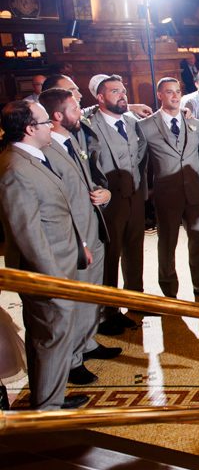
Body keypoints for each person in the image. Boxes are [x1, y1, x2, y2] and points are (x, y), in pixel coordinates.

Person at [0, 100, 88, 410]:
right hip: (47, 274)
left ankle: (51, 397)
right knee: (49, 340)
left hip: (62, 262)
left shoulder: (34, 158)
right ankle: (47, 410)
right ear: (29, 129)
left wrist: (79, 247)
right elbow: (29, 236)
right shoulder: (15, 169)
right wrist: (54, 283)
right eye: (45, 121)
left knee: (55, 339)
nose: (52, 125)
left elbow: (55, 212)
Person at [40, 88, 117, 387]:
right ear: (57, 115)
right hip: (74, 241)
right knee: (72, 301)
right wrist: (79, 242)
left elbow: (90, 179)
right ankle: (72, 361)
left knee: (90, 297)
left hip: (92, 228)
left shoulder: (73, 140)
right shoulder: (47, 153)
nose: (80, 112)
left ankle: (88, 344)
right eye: (75, 108)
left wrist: (105, 193)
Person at [139, 78, 199, 301]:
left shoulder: (194, 123)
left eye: (177, 92)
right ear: (160, 95)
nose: (174, 96)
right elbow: (141, 164)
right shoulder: (145, 127)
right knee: (167, 244)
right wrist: (146, 195)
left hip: (195, 194)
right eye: (169, 92)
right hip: (166, 196)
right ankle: (169, 291)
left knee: (198, 242)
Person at [82, 75, 147, 334]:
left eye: (123, 91)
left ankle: (136, 299)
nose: (123, 96)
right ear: (99, 98)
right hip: (109, 202)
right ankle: (107, 312)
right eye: (114, 92)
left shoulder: (132, 123)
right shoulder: (88, 124)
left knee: (135, 249)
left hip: (134, 196)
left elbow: (140, 155)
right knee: (110, 256)